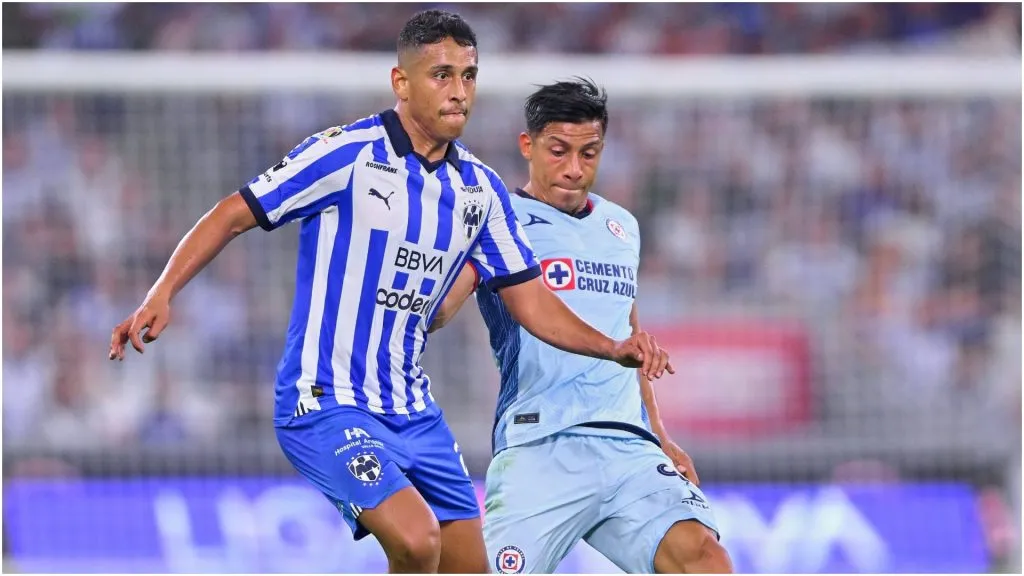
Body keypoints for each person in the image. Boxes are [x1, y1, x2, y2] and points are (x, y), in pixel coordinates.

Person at [108, 11, 673, 574]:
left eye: (469, 77)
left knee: (466, 569)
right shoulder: (346, 154)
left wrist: (613, 346)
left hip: (413, 411)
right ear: (401, 82)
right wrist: (162, 292)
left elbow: (532, 302)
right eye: (441, 75)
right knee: (415, 540)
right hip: (325, 400)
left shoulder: (480, 191)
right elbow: (234, 213)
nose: (458, 93)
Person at [430, 79, 732, 574]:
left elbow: (627, 332)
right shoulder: (499, 219)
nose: (574, 169)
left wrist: (660, 435)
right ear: (528, 146)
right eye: (559, 151)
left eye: (589, 153)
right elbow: (441, 310)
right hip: (541, 445)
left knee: (704, 557)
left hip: (627, 447)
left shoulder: (621, 226)